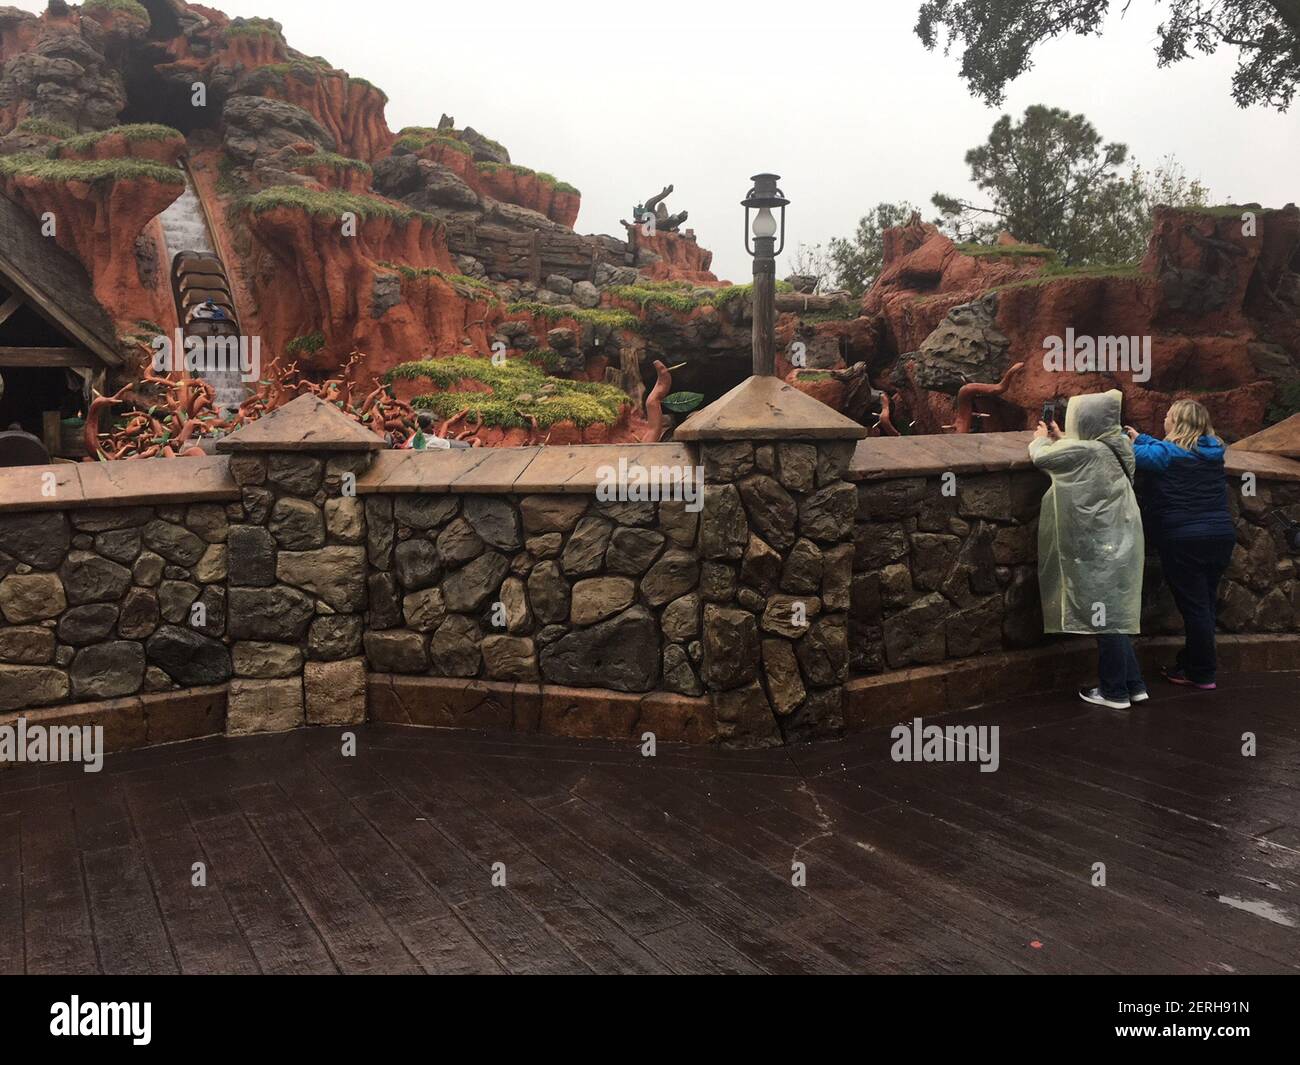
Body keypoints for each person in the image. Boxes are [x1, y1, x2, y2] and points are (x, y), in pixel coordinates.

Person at [1030, 390, 1147, 709]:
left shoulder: (1089, 452)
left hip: (1099, 545)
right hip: (1122, 539)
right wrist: (1064, 436)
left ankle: (1114, 692)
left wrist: (1042, 438)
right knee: (1114, 612)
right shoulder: (1119, 445)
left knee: (1105, 615)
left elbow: (1042, 458)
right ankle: (1134, 684)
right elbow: (1085, 452)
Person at [1125, 400, 1236, 690]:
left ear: (1176, 423)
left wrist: (1127, 440)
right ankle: (1192, 663)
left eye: (1168, 416)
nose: (1164, 418)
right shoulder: (1213, 450)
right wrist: (1142, 437)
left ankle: (1201, 673)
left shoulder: (1164, 456)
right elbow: (1164, 449)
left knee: (1196, 607)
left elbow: (1126, 454)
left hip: (1184, 538)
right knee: (1205, 604)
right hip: (1220, 536)